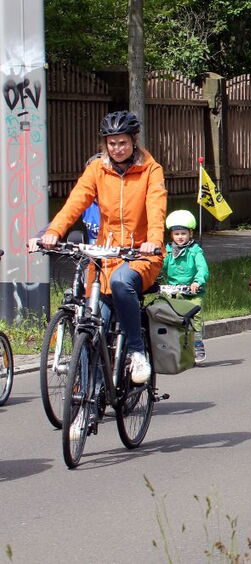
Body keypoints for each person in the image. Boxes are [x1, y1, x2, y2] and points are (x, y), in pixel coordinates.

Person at [30, 110, 166, 385]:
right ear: (104, 144)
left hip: (140, 254)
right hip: (105, 255)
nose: (117, 149)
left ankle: (138, 352)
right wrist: (54, 231)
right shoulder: (97, 169)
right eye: (111, 143)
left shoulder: (151, 169)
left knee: (121, 283)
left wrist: (153, 240)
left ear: (133, 142)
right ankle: (86, 403)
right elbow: (76, 202)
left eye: (122, 143)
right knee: (92, 324)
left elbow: (156, 207)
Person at [160, 209, 209, 363]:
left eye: (183, 233)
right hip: (174, 292)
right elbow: (160, 266)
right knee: (170, 319)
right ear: (171, 236)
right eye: (176, 234)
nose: (180, 237)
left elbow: (203, 268)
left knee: (195, 319)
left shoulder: (195, 250)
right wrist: (153, 277)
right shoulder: (168, 251)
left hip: (193, 293)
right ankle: (173, 349)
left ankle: (198, 344)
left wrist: (197, 281)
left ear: (190, 234)